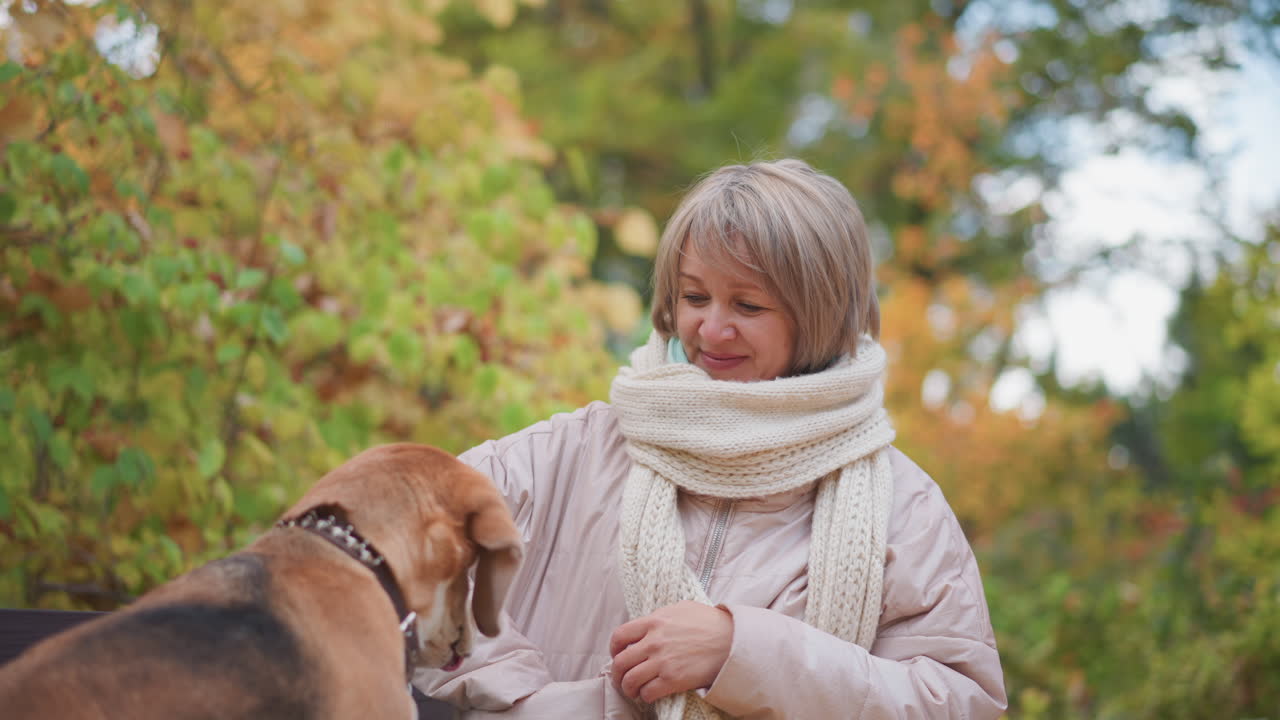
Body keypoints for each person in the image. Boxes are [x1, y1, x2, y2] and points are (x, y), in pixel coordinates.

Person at [414, 159, 1007, 719]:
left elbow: (957, 703)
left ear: (820, 313)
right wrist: (542, 706)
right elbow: (401, 548)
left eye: (747, 304)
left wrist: (742, 652)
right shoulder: (570, 453)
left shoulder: (904, 507)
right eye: (694, 297)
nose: (711, 327)